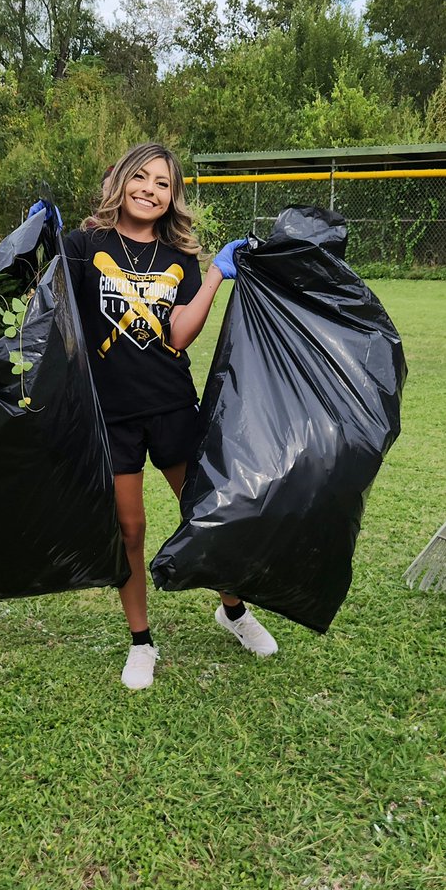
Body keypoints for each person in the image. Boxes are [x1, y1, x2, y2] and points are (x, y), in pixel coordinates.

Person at [59, 143, 278, 688]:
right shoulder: (85, 246)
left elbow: (178, 335)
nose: (150, 189)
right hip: (110, 415)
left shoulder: (178, 258)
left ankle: (232, 611)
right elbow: (39, 298)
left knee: (206, 514)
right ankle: (141, 643)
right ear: (120, 180)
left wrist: (214, 277)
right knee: (129, 530)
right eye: (142, 177)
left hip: (173, 406)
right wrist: (38, 243)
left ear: (173, 197)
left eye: (163, 183)